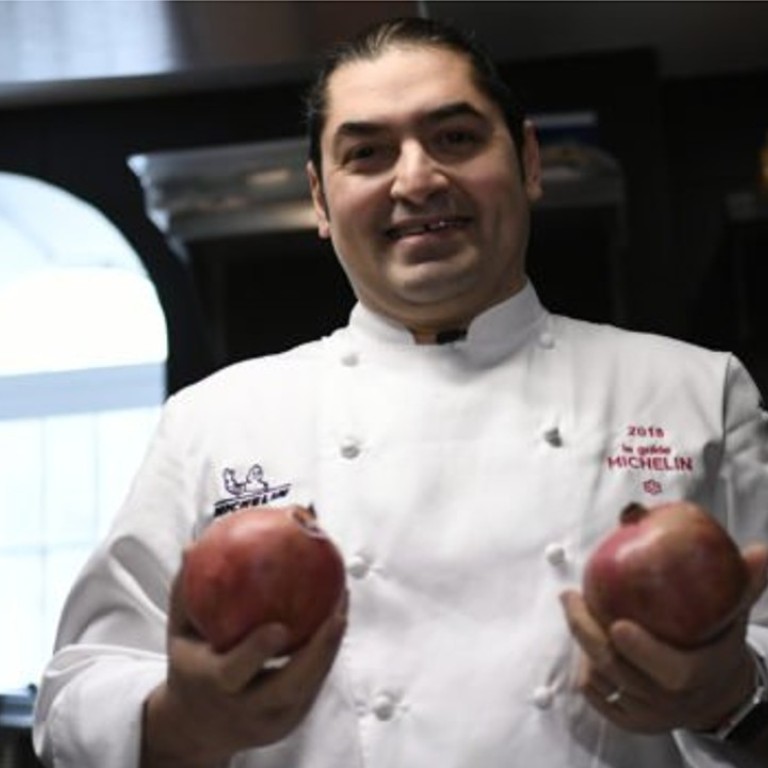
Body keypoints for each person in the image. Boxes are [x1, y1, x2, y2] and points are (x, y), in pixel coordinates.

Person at [33, 16, 768, 768]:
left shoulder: (696, 391)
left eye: (455, 138)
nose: (416, 179)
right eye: (367, 153)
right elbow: (74, 693)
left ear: (528, 161)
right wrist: (186, 721)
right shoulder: (215, 421)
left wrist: (734, 698)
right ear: (321, 200)